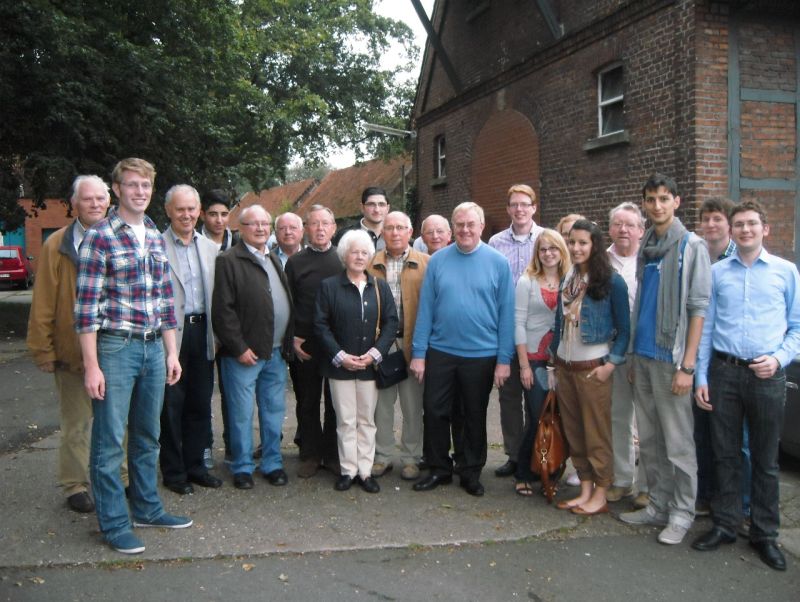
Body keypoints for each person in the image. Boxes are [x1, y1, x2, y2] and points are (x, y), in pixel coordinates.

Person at [75, 158, 189, 555]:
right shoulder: (100, 237)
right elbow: (86, 310)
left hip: (153, 347)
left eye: (146, 185)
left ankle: (147, 508)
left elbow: (165, 302)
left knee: (147, 435)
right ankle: (114, 523)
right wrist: (92, 366)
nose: (140, 191)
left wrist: (172, 351)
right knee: (109, 442)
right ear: (117, 189)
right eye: (132, 185)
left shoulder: (156, 236)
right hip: (115, 348)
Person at [691, 200, 800, 571]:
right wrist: (701, 376)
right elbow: (704, 330)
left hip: (767, 375)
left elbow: (797, 327)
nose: (745, 230)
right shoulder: (719, 273)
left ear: (765, 229)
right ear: (732, 231)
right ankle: (725, 523)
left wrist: (780, 358)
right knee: (725, 453)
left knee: (766, 459)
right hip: (725, 373)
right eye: (739, 225)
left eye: (752, 224)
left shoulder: (785, 273)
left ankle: (765, 534)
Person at [619, 173, 711, 546]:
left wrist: (687, 366)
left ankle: (682, 512)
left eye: (663, 198)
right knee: (652, 440)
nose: (656, 205)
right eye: (650, 199)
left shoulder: (691, 247)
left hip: (671, 361)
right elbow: (641, 302)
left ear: (677, 201)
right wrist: (630, 356)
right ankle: (657, 503)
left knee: (678, 443)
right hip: (641, 356)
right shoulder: (648, 246)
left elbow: (698, 308)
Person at [411, 202, 515, 497]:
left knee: (473, 414)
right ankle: (439, 468)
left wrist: (503, 360)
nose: (465, 230)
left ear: (482, 227)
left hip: (481, 355)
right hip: (441, 351)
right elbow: (426, 310)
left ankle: (470, 471)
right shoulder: (439, 261)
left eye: (471, 224)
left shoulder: (498, 263)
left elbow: (507, 314)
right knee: (434, 411)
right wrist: (419, 354)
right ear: (452, 228)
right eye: (460, 224)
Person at [27, 175, 115, 513]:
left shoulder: (120, 238)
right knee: (76, 424)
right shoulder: (57, 245)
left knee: (116, 423)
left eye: (100, 198)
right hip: (72, 353)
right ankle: (75, 485)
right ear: (73, 204)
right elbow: (44, 301)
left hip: (115, 347)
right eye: (87, 199)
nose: (95, 204)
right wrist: (43, 349)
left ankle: (118, 478)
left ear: (109, 201)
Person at [212, 205, 294, 490]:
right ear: (241, 228)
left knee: (273, 412)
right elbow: (223, 311)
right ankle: (243, 467)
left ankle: (272, 463)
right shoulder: (229, 260)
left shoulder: (272, 258)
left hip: (274, 353)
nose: (260, 228)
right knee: (241, 414)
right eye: (253, 224)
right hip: (244, 356)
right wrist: (238, 348)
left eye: (265, 223)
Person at [551, 220, 630, 515]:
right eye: (572, 242)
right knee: (575, 432)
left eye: (583, 243)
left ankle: (601, 492)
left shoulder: (611, 281)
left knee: (597, 434)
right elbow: (559, 323)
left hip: (593, 368)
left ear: (594, 245)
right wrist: (553, 361)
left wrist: (610, 365)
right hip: (565, 367)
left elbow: (624, 330)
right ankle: (584, 488)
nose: (576, 248)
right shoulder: (568, 276)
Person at [315, 230, 398, 493]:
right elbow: (320, 325)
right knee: (346, 421)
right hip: (340, 366)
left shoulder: (379, 286)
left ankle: (365, 471)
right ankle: (348, 470)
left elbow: (391, 322)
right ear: (344, 255)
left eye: (364, 252)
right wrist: (340, 356)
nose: (359, 257)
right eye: (354, 252)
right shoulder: (329, 286)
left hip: (369, 366)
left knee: (367, 420)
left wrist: (375, 354)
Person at [159, 185, 221, 495]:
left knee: (199, 401)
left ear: (198, 211)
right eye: (180, 209)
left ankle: (197, 466)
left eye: (191, 209)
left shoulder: (209, 248)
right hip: (171, 332)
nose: (186, 214)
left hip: (203, 331)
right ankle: (174, 472)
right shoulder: (156, 246)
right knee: (171, 405)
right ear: (168, 210)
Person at [694, 197, 751, 518]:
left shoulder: (736, 260)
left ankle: (741, 506)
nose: (712, 225)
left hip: (731, 360)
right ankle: (707, 496)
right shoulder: (699, 256)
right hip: (703, 359)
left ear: (728, 224)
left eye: (718, 219)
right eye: (707, 219)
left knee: (736, 440)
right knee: (702, 432)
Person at [367, 211, 430, 481]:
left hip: (411, 343)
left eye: (400, 228)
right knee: (381, 405)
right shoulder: (370, 264)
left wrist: (422, 350)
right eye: (389, 228)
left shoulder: (426, 264)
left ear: (410, 231)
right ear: (382, 232)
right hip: (381, 345)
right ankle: (381, 456)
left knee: (413, 406)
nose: (394, 233)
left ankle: (411, 457)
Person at [488, 184, 544, 478]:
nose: (519, 209)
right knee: (509, 398)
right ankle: (513, 454)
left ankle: (538, 455)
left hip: (538, 334)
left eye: (525, 204)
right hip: (506, 331)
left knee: (537, 397)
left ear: (534, 207)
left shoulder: (547, 240)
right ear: (508, 209)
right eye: (514, 204)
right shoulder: (496, 243)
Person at [285, 205, 342, 478]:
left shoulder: (342, 259)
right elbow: (288, 304)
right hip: (304, 343)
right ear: (306, 228)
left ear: (334, 227)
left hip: (336, 344)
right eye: (314, 224)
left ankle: (331, 454)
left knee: (334, 402)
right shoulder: (295, 262)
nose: (320, 229)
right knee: (307, 401)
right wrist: (292, 337)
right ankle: (309, 454)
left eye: (325, 223)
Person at [512, 229, 570, 496]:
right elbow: (519, 324)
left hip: (563, 361)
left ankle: (552, 469)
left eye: (553, 248)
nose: (548, 254)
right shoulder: (527, 281)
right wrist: (524, 366)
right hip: (534, 360)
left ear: (562, 251)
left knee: (560, 418)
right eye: (543, 249)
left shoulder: (571, 280)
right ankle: (524, 471)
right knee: (538, 417)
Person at [606, 202, 649, 508]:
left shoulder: (650, 261)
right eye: (618, 224)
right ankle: (622, 480)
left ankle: (647, 485)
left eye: (630, 225)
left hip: (646, 352)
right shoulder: (600, 261)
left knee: (647, 421)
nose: (623, 230)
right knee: (618, 418)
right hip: (612, 353)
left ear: (641, 230)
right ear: (610, 228)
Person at [198, 189, 238, 467]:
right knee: (201, 392)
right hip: (201, 329)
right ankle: (203, 447)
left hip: (234, 332)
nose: (219, 220)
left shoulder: (239, 245)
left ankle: (234, 446)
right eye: (213, 214)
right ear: (203, 214)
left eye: (224, 214)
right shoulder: (194, 243)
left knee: (233, 394)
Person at [333, 186, 389, 251]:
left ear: (387, 208)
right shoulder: (345, 235)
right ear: (362, 207)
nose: (377, 210)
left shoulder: (397, 235)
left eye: (381, 204)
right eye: (371, 204)